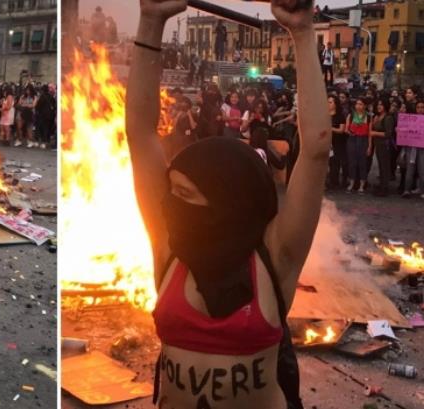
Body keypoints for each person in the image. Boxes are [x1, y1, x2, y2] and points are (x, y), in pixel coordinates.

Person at [126, 0, 328, 408]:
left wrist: (304, 34)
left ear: (225, 201)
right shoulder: (170, 252)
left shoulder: (275, 259)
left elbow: (316, 150)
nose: (170, 206)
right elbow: (139, 135)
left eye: (185, 195)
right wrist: (150, 22)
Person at [368, 98, 394, 196]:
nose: (379, 106)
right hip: (378, 145)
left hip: (385, 145)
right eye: (378, 104)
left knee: (384, 166)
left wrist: (375, 133)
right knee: (381, 166)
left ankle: (384, 188)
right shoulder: (378, 116)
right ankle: (382, 185)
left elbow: (388, 134)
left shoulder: (388, 118)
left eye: (381, 104)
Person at [345, 98, 370, 193]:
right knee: (352, 162)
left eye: (361, 104)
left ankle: (362, 184)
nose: (358, 106)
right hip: (352, 140)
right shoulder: (351, 115)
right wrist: (350, 132)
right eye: (357, 104)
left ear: (365, 106)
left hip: (363, 140)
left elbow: (370, 133)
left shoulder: (368, 116)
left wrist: (369, 146)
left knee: (362, 163)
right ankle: (351, 182)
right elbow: (346, 129)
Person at [327, 94, 347, 189]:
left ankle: (334, 182)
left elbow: (341, 130)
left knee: (335, 163)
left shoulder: (340, 116)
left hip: (337, 142)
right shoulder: (324, 114)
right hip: (326, 141)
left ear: (335, 104)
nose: (328, 104)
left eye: (330, 102)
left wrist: (330, 128)